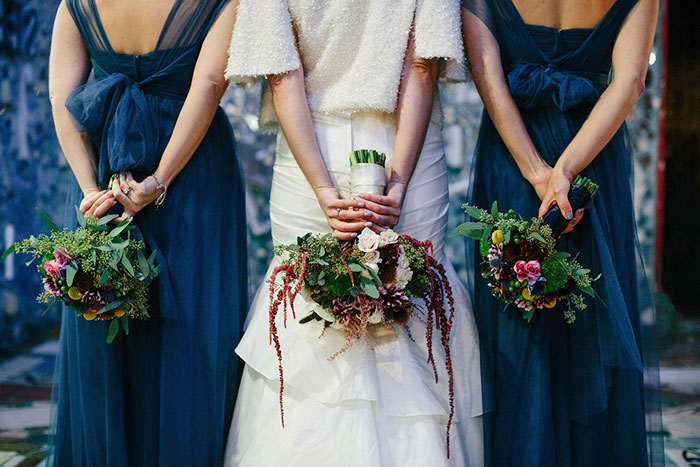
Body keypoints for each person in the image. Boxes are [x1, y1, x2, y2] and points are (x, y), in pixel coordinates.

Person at [223, 0, 484, 465]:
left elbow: (284, 74)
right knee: (416, 303)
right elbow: (422, 67)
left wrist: (323, 185)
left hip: (309, 144)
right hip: (409, 141)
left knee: (303, 308)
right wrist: (399, 179)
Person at [461, 0, 661, 465]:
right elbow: (630, 84)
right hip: (592, 156)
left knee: (517, 321)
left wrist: (537, 172)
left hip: (514, 156)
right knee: (593, 315)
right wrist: (566, 171)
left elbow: (484, 68)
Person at [47, 0, 246, 464]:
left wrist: (91, 190)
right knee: (193, 324)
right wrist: (160, 180)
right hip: (191, 170)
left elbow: (61, 96)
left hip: (106, 165)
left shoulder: (75, 4)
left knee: (105, 313)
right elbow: (210, 84)